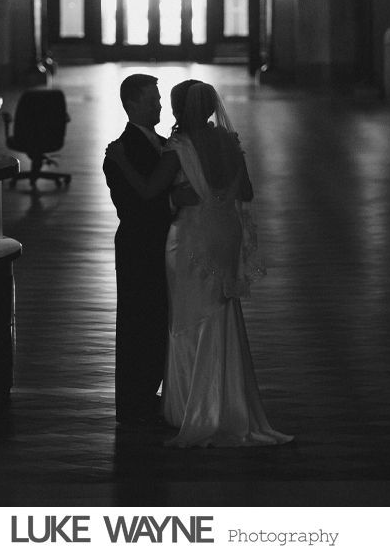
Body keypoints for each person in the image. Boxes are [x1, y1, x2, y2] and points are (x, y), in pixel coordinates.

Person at [106, 81, 292, 448]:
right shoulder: (227, 141)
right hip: (223, 236)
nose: (162, 107)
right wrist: (216, 195)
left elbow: (149, 191)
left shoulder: (178, 146)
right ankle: (227, 400)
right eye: (155, 100)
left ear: (181, 109)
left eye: (166, 102)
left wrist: (124, 162)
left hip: (190, 240)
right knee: (221, 314)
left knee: (187, 319)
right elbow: (247, 191)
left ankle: (190, 405)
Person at [103, 73, 172, 426]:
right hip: (140, 245)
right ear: (131, 103)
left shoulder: (163, 144)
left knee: (158, 320)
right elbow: (137, 205)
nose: (160, 105)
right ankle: (135, 399)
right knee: (138, 323)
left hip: (163, 243)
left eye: (158, 99)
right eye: (153, 100)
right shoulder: (121, 152)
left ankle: (150, 391)